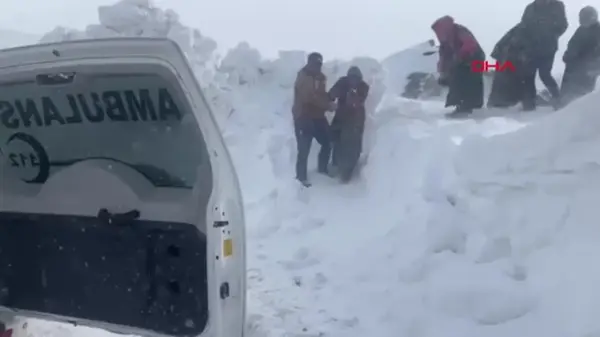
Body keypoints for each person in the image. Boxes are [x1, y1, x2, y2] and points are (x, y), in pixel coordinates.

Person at [292, 52, 336, 187]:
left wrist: (330, 99)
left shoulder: (321, 78)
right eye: (315, 63)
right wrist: (327, 105)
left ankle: (322, 169)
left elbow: (320, 95)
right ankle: (301, 178)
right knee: (304, 147)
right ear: (309, 63)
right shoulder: (303, 76)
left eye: (319, 64)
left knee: (328, 141)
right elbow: (308, 97)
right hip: (303, 116)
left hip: (317, 116)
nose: (317, 66)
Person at [431, 16, 485, 116]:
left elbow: (470, 44)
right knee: (457, 77)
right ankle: (461, 105)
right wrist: (443, 73)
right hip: (462, 62)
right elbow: (443, 58)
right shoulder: (445, 43)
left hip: (474, 58)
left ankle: (466, 107)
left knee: (468, 79)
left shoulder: (460, 31)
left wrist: (458, 57)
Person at [519, 0, 568, 110]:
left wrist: (550, 34)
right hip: (531, 48)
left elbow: (563, 25)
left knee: (544, 74)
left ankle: (557, 99)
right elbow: (523, 27)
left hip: (548, 47)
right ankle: (529, 104)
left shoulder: (557, 5)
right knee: (528, 75)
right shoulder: (530, 8)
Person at [328, 66, 369, 183]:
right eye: (351, 78)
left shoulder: (363, 87)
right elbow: (332, 93)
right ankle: (336, 165)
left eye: (356, 79)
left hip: (355, 120)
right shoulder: (342, 83)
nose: (353, 81)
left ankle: (347, 171)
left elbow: (357, 102)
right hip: (341, 117)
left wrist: (352, 95)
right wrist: (329, 101)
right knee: (335, 139)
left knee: (352, 146)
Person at [560, 6, 600, 106]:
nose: (582, 20)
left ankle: (581, 109)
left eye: (585, 17)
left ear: (592, 18)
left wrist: (594, 67)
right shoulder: (581, 30)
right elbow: (573, 43)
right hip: (574, 65)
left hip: (588, 67)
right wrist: (568, 55)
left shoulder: (598, 31)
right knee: (568, 86)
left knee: (583, 92)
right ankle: (563, 102)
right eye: (581, 18)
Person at [487, 24, 529, 108]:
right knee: (506, 78)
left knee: (505, 78)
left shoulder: (524, 26)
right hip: (508, 56)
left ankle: (501, 101)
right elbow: (512, 45)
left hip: (507, 55)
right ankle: (501, 101)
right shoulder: (526, 29)